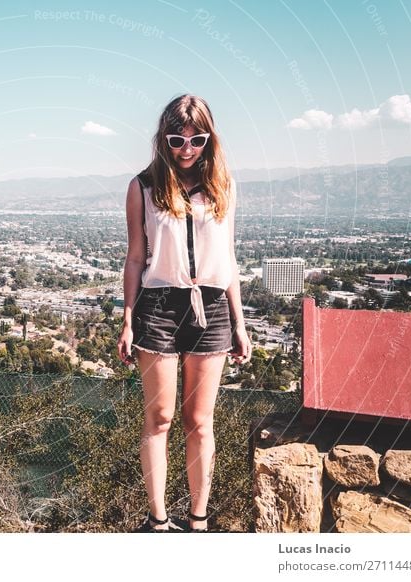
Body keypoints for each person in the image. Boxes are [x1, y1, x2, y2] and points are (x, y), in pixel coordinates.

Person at [116, 94, 252, 532]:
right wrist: (128, 318)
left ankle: (198, 520)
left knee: (199, 422)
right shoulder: (143, 186)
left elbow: (228, 257)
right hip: (157, 307)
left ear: (210, 139)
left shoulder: (224, 186)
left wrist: (239, 323)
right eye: (177, 139)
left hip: (210, 307)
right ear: (164, 139)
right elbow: (136, 258)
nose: (187, 148)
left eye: (197, 138)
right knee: (160, 418)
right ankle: (157, 520)